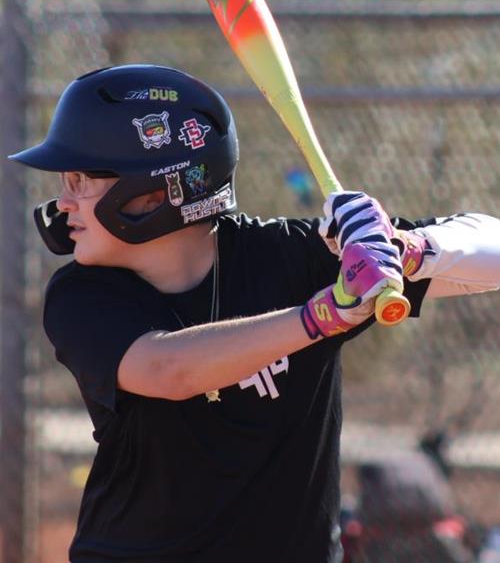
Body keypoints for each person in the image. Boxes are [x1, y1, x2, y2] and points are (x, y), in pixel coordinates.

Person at [9, 64, 500, 563]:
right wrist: (322, 316)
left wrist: (405, 249)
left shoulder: (290, 256)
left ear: (153, 194)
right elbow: (167, 369)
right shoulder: (82, 294)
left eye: (80, 180)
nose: (63, 203)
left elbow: (493, 250)